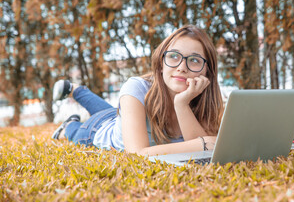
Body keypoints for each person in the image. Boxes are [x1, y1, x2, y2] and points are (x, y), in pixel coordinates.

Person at [51, 25, 224, 156]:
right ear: (161, 64)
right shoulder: (136, 87)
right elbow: (136, 153)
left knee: (111, 113)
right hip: (96, 131)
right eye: (173, 56)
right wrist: (201, 144)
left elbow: (206, 153)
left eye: (194, 60)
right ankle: (69, 118)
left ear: (207, 70)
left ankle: (74, 89)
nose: (182, 67)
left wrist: (181, 104)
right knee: (78, 129)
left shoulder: (203, 99)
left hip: (120, 118)